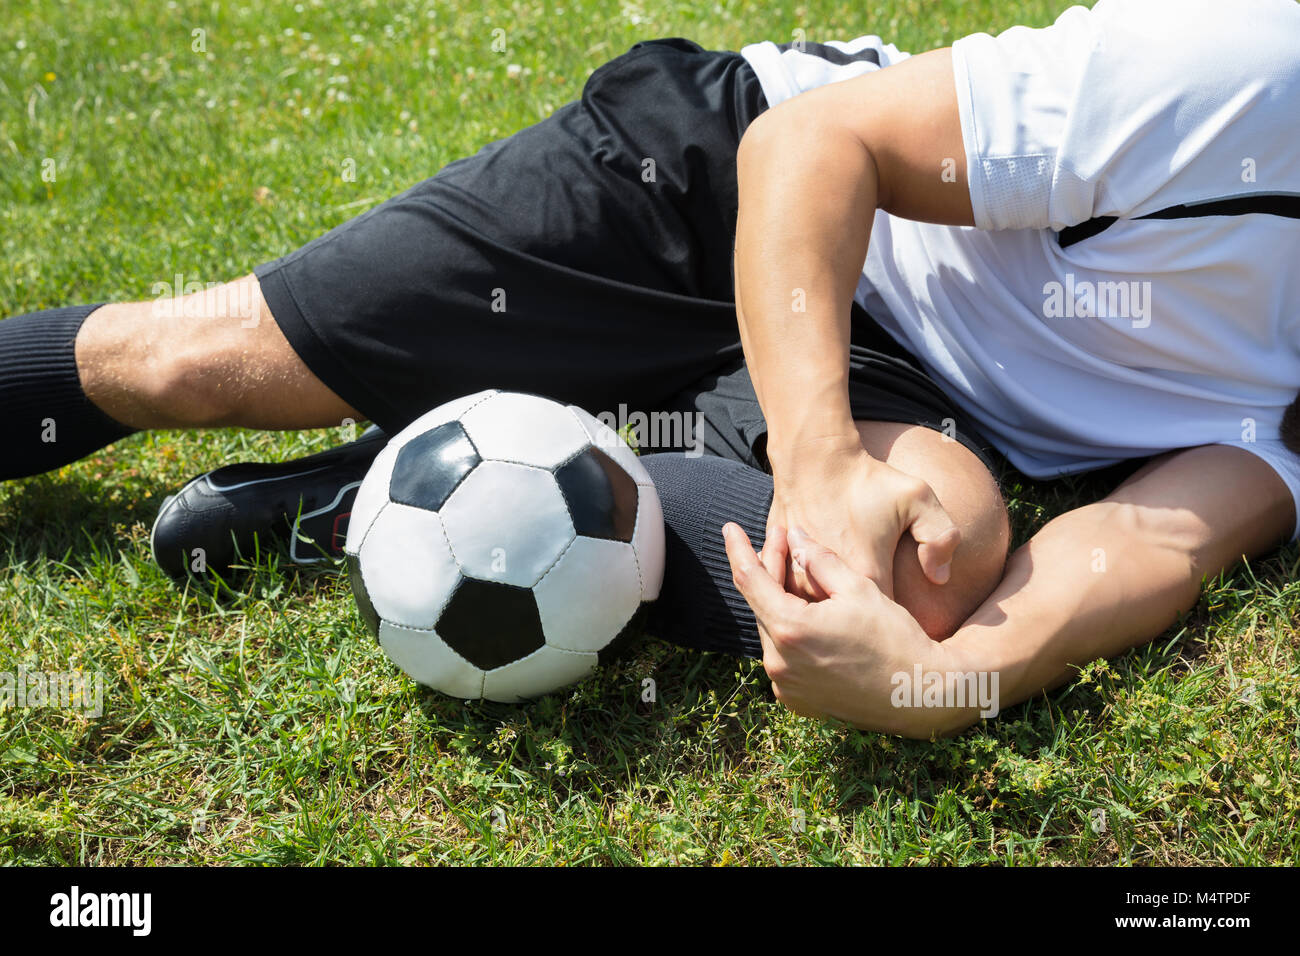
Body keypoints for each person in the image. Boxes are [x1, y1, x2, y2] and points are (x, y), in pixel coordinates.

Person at [2, 0, 1297, 737]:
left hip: (920, 379)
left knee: (927, 581)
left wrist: (942, 685)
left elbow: (1161, 544)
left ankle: (393, 484)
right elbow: (814, 148)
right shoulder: (1250, 73)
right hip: (714, 187)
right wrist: (819, 453)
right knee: (188, 368)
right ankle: (486, 435)